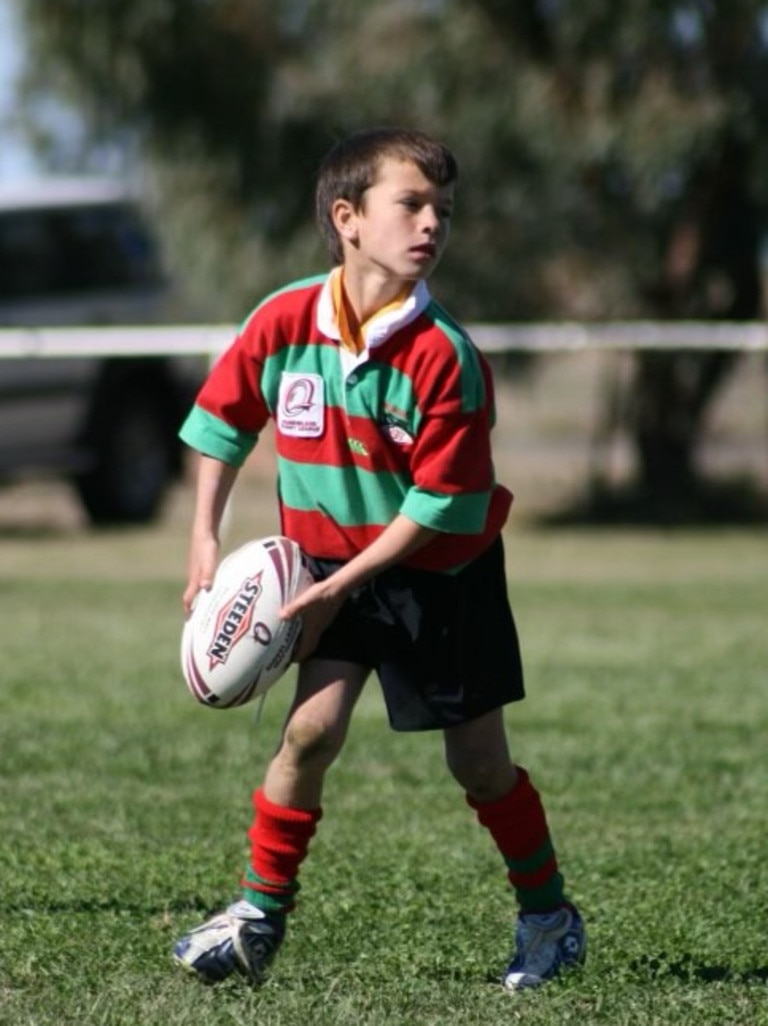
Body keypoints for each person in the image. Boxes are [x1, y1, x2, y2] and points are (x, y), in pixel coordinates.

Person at [172, 127, 586, 993]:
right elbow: (220, 422)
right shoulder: (285, 321)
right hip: (328, 568)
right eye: (412, 204)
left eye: (441, 208)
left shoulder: (448, 360)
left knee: (477, 763)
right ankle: (257, 914)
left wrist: (338, 590)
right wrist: (205, 535)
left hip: (442, 575)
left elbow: (439, 510)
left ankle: (548, 916)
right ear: (348, 218)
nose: (432, 222)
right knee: (309, 733)